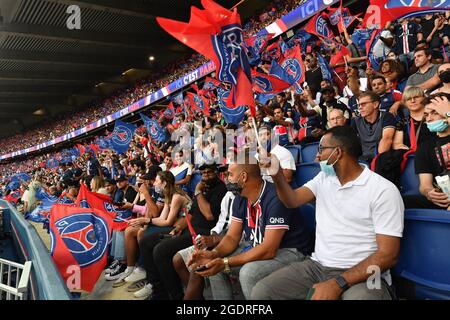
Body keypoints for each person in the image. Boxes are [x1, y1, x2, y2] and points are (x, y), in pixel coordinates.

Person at [252, 125, 404, 300]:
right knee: (263, 292)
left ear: (338, 152)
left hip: (367, 273)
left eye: (321, 149)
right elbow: (291, 200)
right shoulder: (324, 178)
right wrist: (276, 173)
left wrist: (338, 282)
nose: (317, 156)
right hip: (318, 266)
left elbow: (388, 255)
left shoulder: (382, 190)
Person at [188, 150, 312, 300]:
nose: (226, 179)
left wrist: (225, 262)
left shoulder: (276, 197)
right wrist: (215, 254)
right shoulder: (240, 197)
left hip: (290, 251)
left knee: (248, 272)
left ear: (244, 177)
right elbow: (232, 237)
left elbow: (269, 250)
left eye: (230, 175)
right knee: (213, 264)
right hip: (257, 246)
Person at [139, 163, 227, 300]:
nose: (205, 176)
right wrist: (179, 227)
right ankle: (158, 289)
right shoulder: (203, 187)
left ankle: (176, 296)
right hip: (188, 229)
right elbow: (190, 215)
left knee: (160, 251)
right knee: (146, 241)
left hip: (204, 233)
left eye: (209, 173)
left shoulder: (220, 189)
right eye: (203, 173)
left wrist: (197, 192)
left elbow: (209, 214)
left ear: (216, 173)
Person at [403, 93, 450, 209]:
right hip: (445, 199)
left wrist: (448, 113)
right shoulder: (425, 147)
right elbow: (424, 185)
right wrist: (429, 193)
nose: (429, 119)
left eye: (435, 112)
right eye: (426, 114)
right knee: (397, 201)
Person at [351, 91, 397, 163]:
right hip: (362, 160)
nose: (360, 107)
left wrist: (378, 162)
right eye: (359, 105)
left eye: (363, 104)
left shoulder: (387, 117)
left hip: (382, 158)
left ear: (375, 104)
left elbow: (387, 139)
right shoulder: (356, 121)